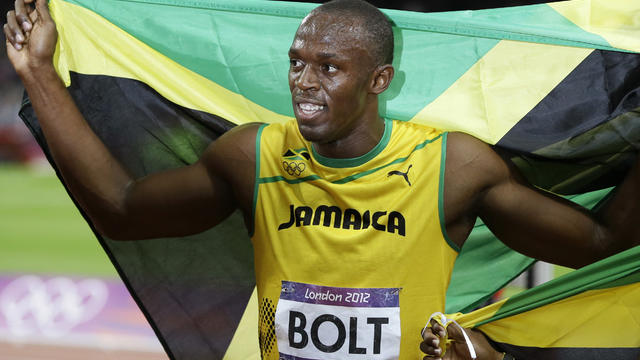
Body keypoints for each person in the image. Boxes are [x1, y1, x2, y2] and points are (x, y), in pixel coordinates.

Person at [4, 0, 639, 359]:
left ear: (379, 82)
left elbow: (597, 243)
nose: (304, 82)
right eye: (297, 63)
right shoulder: (253, 155)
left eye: (329, 67)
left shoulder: (453, 167)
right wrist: (39, 75)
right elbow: (123, 206)